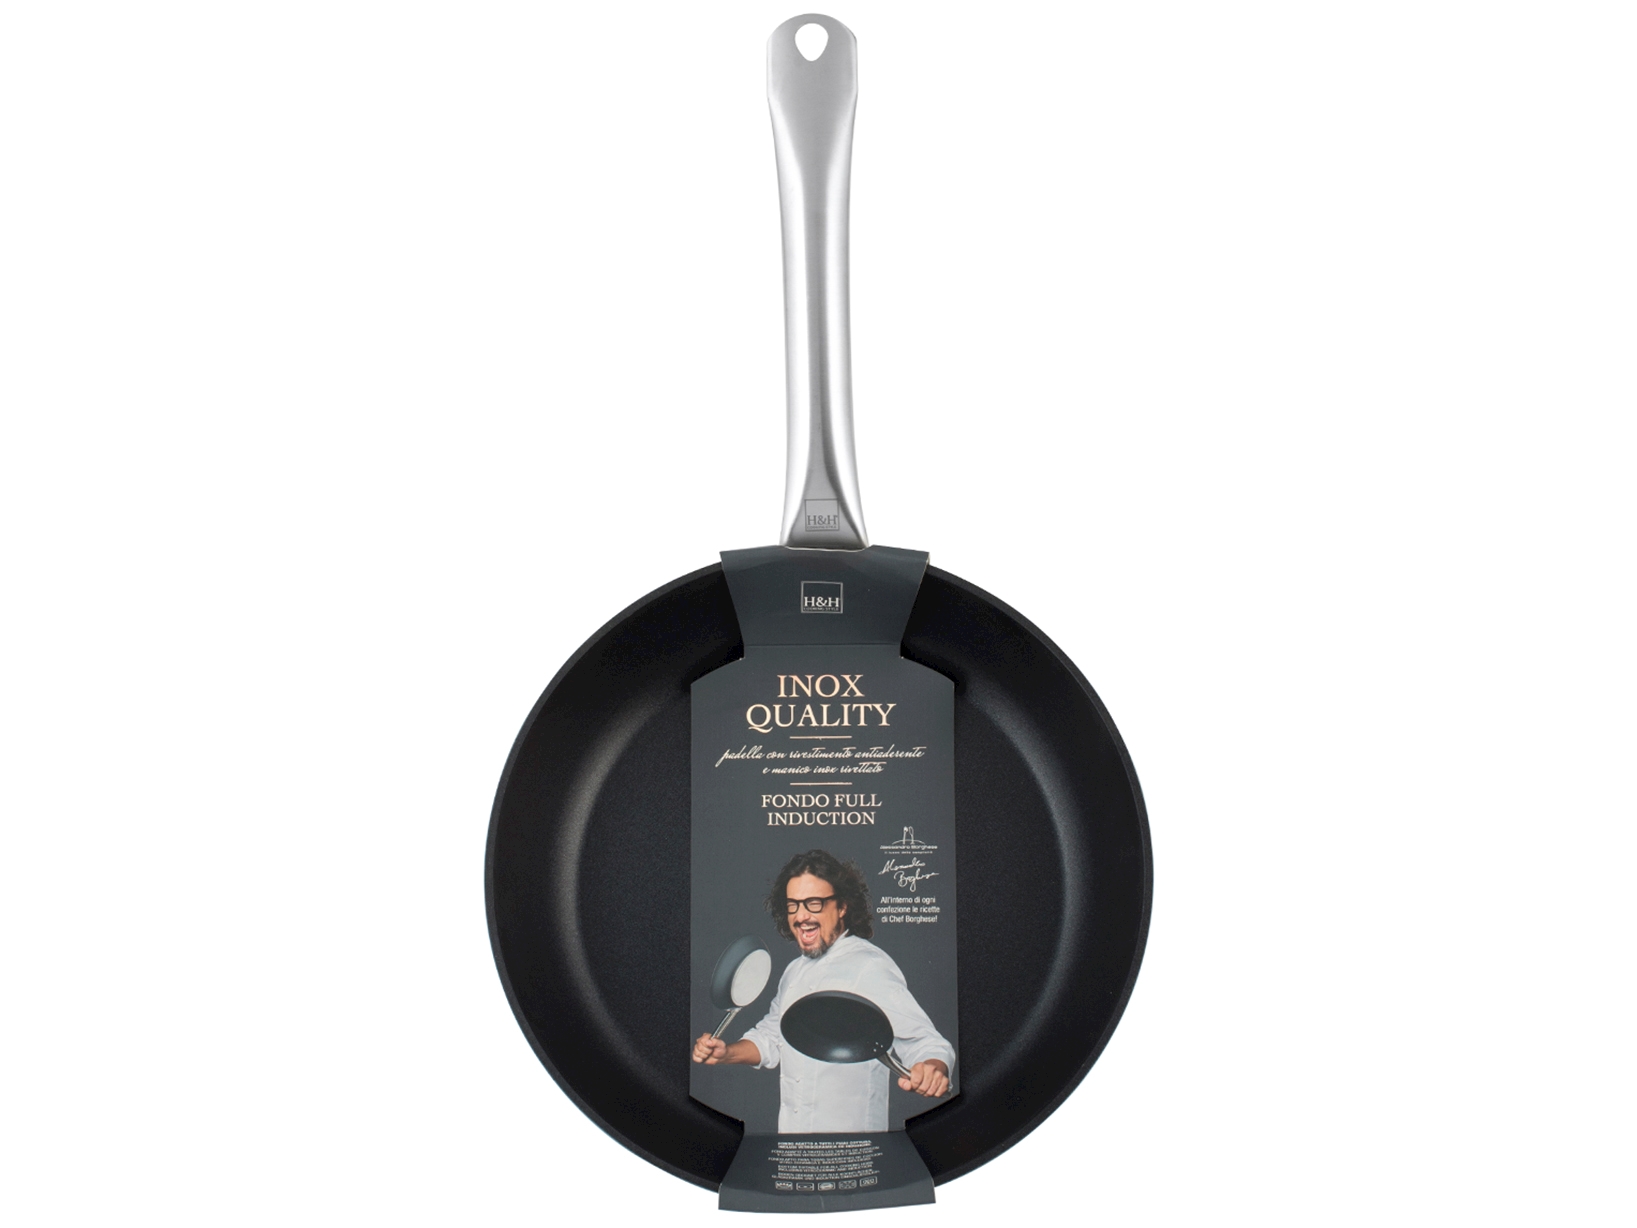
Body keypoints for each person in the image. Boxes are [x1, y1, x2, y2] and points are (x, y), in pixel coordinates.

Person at [692, 849, 954, 1133]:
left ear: (842, 907)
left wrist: (933, 1069)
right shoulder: (794, 970)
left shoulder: (869, 965)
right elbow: (772, 1037)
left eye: (814, 903)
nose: (801, 916)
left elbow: (926, 1043)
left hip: (854, 1146)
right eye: (793, 905)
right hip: (794, 1142)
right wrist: (727, 1053)